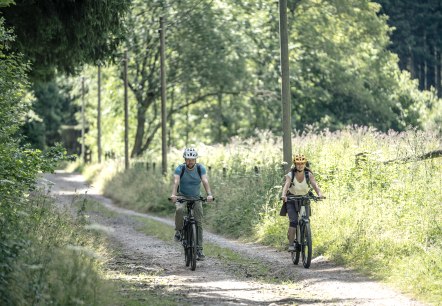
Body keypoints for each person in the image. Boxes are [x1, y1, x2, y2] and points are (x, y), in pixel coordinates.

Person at [170, 148, 213, 261]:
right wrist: (174, 195)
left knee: (198, 222)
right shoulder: (180, 168)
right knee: (179, 210)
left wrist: (209, 194)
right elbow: (176, 182)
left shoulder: (200, 168)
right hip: (182, 196)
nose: (190, 162)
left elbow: (205, 181)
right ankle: (179, 231)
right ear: (185, 159)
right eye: (188, 159)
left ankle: (199, 249)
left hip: (196, 197)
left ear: (195, 160)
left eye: (192, 160)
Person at [281, 154, 324, 251]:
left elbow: (315, 185)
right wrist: (283, 195)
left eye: (302, 163)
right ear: (295, 164)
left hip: (304, 199)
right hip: (291, 199)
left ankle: (305, 236)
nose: (300, 165)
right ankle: (291, 244)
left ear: (305, 164)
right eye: (298, 164)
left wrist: (320, 194)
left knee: (306, 219)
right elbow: (286, 185)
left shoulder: (308, 174)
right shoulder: (290, 175)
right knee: (293, 221)